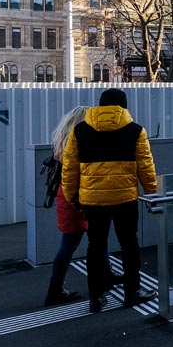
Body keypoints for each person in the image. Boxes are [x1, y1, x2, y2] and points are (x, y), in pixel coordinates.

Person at [61, 88, 158, 313]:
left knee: (95, 246)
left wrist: (72, 195)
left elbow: (70, 167)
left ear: (100, 105)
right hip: (125, 199)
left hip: (92, 200)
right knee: (129, 245)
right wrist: (152, 192)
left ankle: (96, 297)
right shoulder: (136, 130)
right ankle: (132, 293)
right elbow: (146, 165)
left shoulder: (79, 131)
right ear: (123, 106)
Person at [43, 106, 124, 307]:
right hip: (81, 194)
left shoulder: (62, 142)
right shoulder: (82, 141)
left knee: (82, 241)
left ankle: (59, 288)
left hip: (67, 194)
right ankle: (90, 288)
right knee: (87, 242)